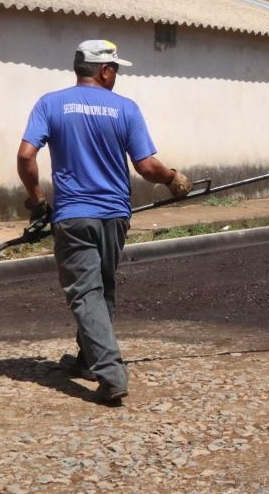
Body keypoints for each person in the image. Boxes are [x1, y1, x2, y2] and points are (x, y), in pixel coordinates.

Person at [17, 39, 193, 404]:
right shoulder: (125, 108)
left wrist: (36, 199)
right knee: (101, 290)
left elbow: (26, 155)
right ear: (105, 70)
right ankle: (92, 361)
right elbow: (147, 167)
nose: (117, 76)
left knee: (87, 293)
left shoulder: (50, 103)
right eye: (116, 70)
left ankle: (108, 372)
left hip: (73, 215)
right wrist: (174, 178)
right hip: (114, 216)